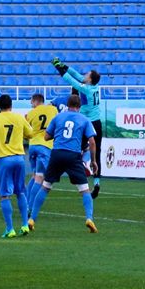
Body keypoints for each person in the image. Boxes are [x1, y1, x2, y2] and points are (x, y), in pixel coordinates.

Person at [29, 94, 99, 234]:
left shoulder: (58, 117)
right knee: (84, 190)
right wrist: (93, 161)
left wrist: (58, 134)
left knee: (45, 187)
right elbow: (92, 142)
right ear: (79, 107)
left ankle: (32, 219)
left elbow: (46, 136)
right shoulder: (84, 119)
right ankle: (89, 218)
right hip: (73, 155)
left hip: (57, 153)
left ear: (67, 105)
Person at [0, 94, 34, 238]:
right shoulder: (19, 118)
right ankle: (25, 225)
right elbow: (30, 134)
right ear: (11, 105)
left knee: (5, 195)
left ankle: (10, 229)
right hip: (19, 158)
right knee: (20, 192)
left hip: (4, 159)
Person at [52, 58, 104, 197]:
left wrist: (58, 68)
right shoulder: (95, 87)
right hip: (97, 123)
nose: (84, 75)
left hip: (86, 123)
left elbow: (71, 80)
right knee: (97, 152)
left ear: (90, 79)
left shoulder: (86, 89)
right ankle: (97, 182)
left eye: (87, 74)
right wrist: (64, 65)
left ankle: (77, 171)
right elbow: (77, 75)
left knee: (75, 148)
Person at [25, 92, 59, 214]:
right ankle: (29, 206)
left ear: (35, 101)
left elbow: (26, 131)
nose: (31, 104)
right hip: (45, 146)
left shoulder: (30, 113)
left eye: (31, 102)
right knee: (40, 178)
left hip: (33, 146)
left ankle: (25, 202)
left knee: (35, 176)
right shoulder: (53, 109)